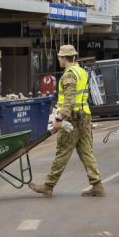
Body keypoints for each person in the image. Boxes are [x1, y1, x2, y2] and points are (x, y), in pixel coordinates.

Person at [30, 45, 104, 197]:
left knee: (63, 151)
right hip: (84, 116)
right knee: (86, 151)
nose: (59, 59)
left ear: (64, 58)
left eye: (60, 57)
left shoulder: (69, 75)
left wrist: (58, 118)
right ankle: (97, 184)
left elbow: (69, 100)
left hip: (72, 119)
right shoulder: (81, 71)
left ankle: (48, 185)